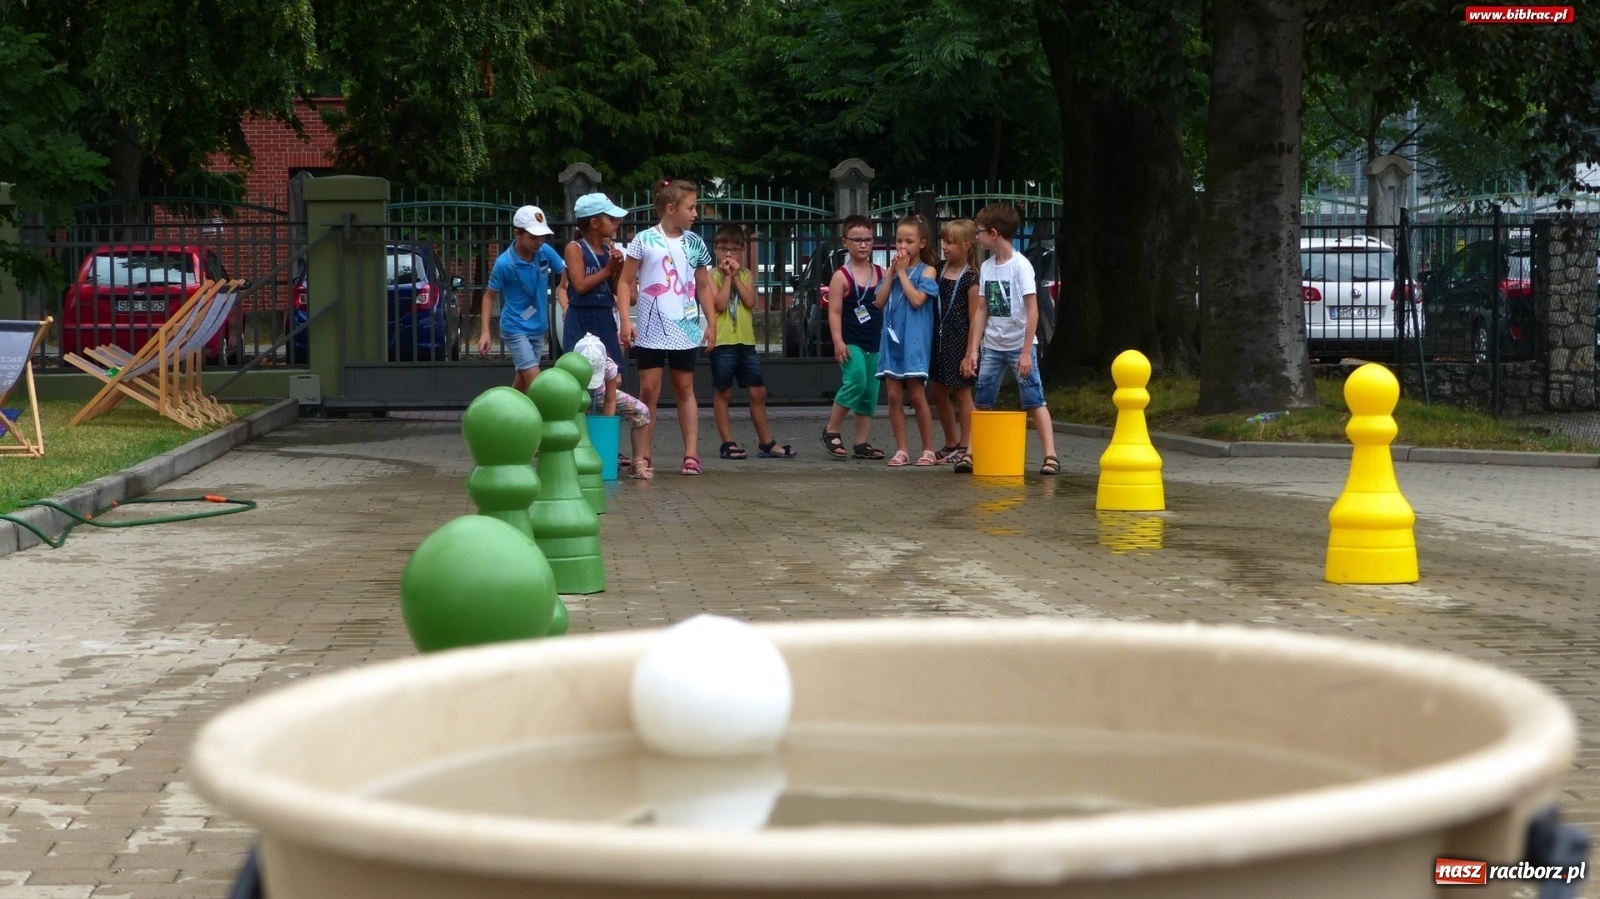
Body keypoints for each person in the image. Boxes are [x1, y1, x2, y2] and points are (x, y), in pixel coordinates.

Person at [617, 180, 716, 477]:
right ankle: (643, 454)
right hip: (649, 328)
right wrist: (625, 319)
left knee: (685, 387)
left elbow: (703, 284)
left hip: (685, 328)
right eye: (690, 207)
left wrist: (711, 322)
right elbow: (625, 281)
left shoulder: (695, 242)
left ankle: (690, 453)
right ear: (671, 208)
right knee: (649, 390)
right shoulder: (644, 240)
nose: (695, 213)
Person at [970, 203, 1059, 475]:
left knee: (1034, 398)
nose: (977, 237)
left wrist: (1024, 352)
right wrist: (974, 349)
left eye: (980, 232)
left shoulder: (1021, 266)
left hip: (1019, 346)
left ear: (994, 233)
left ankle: (1051, 455)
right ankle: (972, 452)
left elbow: (1032, 310)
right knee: (982, 400)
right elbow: (982, 309)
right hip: (994, 347)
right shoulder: (987, 267)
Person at [709, 224, 794, 460]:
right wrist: (726, 278)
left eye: (735, 250)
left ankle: (766, 442)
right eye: (724, 249)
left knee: (758, 392)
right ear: (715, 249)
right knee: (723, 392)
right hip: (723, 342)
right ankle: (728, 442)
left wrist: (735, 277)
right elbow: (719, 304)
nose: (729, 255)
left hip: (746, 342)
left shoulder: (746, 275)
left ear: (743, 251)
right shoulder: (711, 276)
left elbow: (750, 302)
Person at [479, 205, 566, 392]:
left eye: (542, 236)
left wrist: (564, 290)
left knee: (523, 380)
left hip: (538, 326)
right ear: (517, 233)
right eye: (533, 237)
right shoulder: (504, 263)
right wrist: (485, 332)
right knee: (536, 381)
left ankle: (505, 415)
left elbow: (566, 271)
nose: (539, 242)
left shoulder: (545, 251)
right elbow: (488, 297)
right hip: (515, 328)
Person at [875, 215, 939, 467]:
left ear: (921, 243)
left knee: (916, 394)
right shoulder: (892, 271)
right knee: (892, 395)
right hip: (891, 340)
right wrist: (892, 273)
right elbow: (879, 301)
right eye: (899, 240)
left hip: (913, 340)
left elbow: (917, 300)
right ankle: (901, 449)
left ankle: (928, 449)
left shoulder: (928, 270)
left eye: (909, 241)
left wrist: (902, 273)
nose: (903, 245)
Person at [820, 215, 886, 461]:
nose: (862, 245)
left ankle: (861, 442)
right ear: (845, 242)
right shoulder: (841, 276)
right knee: (855, 380)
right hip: (851, 342)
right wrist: (838, 341)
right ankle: (832, 430)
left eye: (867, 240)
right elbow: (834, 311)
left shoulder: (881, 272)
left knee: (870, 391)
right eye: (857, 240)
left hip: (875, 342)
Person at [929, 218, 983, 467]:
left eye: (951, 242)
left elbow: (975, 318)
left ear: (967, 246)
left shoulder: (972, 278)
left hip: (960, 341)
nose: (945, 246)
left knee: (962, 391)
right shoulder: (939, 269)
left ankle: (966, 445)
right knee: (938, 390)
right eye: (944, 241)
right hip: (939, 338)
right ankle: (950, 441)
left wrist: (970, 352)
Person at [561, 192, 629, 366]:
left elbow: (614, 288)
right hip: (581, 318)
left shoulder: (608, 250)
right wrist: (608, 269)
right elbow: (580, 285)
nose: (617, 223)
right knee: (581, 371)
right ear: (594, 223)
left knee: (612, 372)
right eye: (612, 219)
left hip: (604, 315)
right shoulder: (575, 248)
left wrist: (618, 267)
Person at [576, 334, 651, 478]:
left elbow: (610, 401)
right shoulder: (568, 368)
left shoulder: (609, 366)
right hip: (574, 399)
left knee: (641, 411)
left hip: (601, 395)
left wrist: (606, 436)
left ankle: (637, 463)